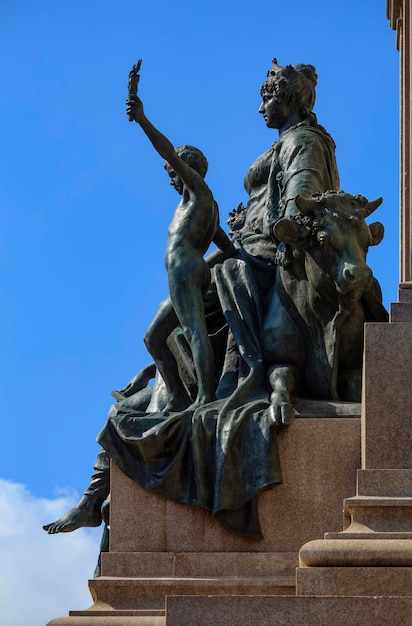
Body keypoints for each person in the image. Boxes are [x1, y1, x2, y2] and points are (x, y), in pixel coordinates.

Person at [43, 60, 351, 540]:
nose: (260, 104)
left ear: (286, 96)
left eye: (266, 95)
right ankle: (112, 476)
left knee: (179, 327)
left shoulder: (303, 142)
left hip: (263, 263)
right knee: (157, 347)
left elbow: (301, 200)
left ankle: (213, 393)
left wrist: (277, 228)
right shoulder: (286, 142)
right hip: (243, 256)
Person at [126, 95, 235, 410]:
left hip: (184, 272)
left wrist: (143, 120)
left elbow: (166, 150)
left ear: (188, 170)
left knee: (193, 331)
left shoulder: (198, 192)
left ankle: (205, 396)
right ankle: (175, 395)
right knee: (153, 339)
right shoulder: (206, 208)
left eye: (174, 173)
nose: (172, 180)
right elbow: (228, 250)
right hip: (192, 270)